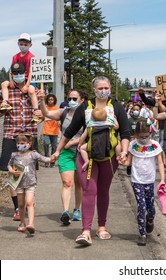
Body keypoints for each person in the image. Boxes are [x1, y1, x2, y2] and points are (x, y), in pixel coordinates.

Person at [52, 76, 130, 246]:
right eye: (100, 88)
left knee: (103, 191)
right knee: (89, 190)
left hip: (109, 157)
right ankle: (85, 231)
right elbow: (70, 131)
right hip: (87, 156)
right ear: (94, 90)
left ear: (110, 88)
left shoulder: (116, 106)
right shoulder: (84, 107)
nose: (103, 91)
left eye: (106, 88)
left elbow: (125, 132)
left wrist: (123, 151)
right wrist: (58, 150)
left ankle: (101, 226)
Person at [0, 62, 42, 222]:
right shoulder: (5, 90)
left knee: (28, 172)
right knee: (12, 172)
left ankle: (28, 201)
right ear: (11, 73)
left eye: (20, 72)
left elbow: (41, 115)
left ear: (25, 73)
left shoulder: (33, 90)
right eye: (15, 72)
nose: (18, 75)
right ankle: (17, 207)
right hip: (11, 135)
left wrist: (41, 104)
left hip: (29, 136)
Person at [39, 89, 86, 225]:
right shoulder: (64, 112)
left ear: (81, 100)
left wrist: (73, 142)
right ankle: (65, 212)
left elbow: (90, 133)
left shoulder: (87, 114)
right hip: (65, 153)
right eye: (69, 98)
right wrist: (42, 100)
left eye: (74, 99)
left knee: (79, 183)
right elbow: (46, 113)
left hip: (81, 152)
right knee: (67, 183)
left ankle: (77, 209)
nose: (71, 101)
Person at [123, 120, 165, 246]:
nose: (143, 138)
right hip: (137, 180)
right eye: (140, 136)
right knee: (141, 206)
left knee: (151, 208)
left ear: (150, 133)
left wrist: (162, 179)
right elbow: (128, 162)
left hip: (149, 180)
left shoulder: (156, 145)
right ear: (136, 134)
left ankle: (150, 220)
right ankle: (142, 234)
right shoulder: (133, 145)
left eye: (146, 136)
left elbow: (160, 163)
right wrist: (121, 161)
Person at [7, 133, 53, 234]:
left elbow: (44, 159)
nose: (20, 145)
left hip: (30, 183)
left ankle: (31, 223)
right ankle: (22, 223)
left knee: (29, 202)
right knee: (21, 204)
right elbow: (9, 165)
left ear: (29, 143)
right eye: (18, 143)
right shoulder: (14, 155)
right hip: (19, 184)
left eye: (23, 143)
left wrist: (52, 158)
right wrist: (11, 171)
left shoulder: (33, 154)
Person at [0, 33, 39, 122]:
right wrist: (11, 80)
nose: (23, 46)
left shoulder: (31, 57)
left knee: (31, 91)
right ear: (18, 44)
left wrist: (27, 85)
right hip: (16, 78)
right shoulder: (15, 56)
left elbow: (32, 71)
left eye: (25, 45)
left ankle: (36, 110)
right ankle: (5, 102)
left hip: (28, 78)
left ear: (30, 45)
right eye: (21, 44)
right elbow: (11, 69)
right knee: (4, 84)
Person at [42, 94, 60, 168]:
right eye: (49, 99)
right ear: (47, 100)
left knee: (54, 147)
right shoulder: (45, 108)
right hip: (46, 129)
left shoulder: (57, 108)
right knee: (46, 144)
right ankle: (46, 160)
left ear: (54, 100)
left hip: (54, 130)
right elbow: (41, 118)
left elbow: (60, 118)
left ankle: (52, 162)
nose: (50, 101)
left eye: (52, 99)